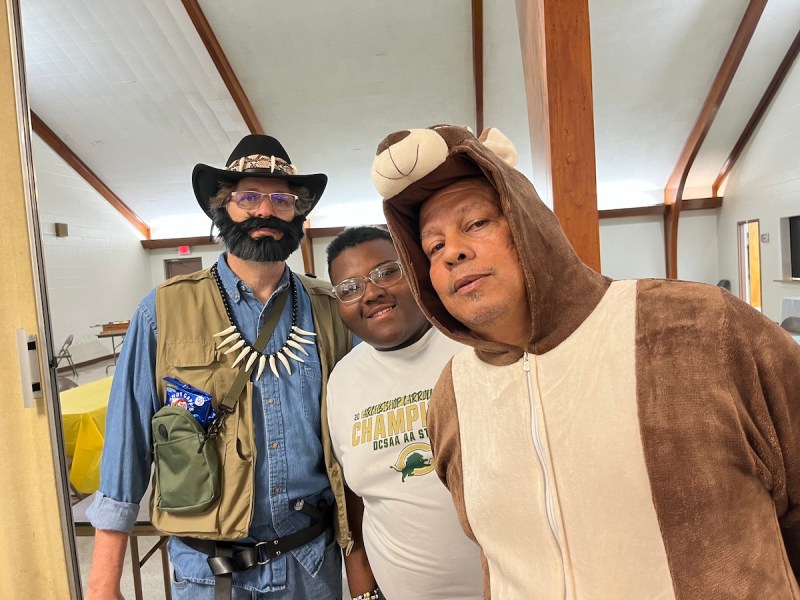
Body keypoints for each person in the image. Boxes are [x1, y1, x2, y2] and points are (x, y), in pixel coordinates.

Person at [370, 124, 800, 598]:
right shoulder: (452, 396)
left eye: (476, 224)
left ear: (529, 221)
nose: (453, 251)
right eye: (433, 247)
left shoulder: (699, 326)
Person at [86, 134, 353, 599]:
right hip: (205, 574)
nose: (265, 211)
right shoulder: (161, 311)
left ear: (298, 213)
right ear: (222, 207)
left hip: (309, 565)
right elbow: (127, 443)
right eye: (248, 197)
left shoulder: (330, 311)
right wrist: (103, 582)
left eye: (282, 199)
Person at [324, 226, 483, 600]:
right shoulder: (342, 380)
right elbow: (355, 500)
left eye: (386, 272)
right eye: (349, 288)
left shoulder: (473, 343)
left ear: (414, 270)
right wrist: (363, 594)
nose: (371, 293)